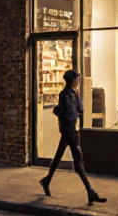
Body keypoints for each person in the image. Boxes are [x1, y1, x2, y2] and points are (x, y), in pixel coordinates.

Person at [38, 70, 107, 205]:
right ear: (71, 80)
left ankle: (46, 180)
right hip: (69, 130)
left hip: (71, 129)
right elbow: (63, 111)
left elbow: (79, 110)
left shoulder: (75, 93)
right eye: (77, 79)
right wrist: (63, 115)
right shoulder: (64, 95)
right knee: (78, 161)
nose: (79, 81)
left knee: (59, 156)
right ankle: (90, 191)